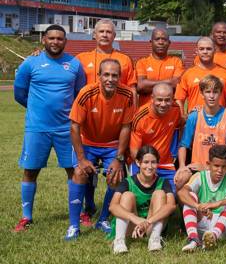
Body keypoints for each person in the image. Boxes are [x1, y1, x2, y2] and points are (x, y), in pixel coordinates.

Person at [13, 25, 86, 232]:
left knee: (74, 170)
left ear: (65, 41)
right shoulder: (31, 63)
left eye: (60, 39)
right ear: (43, 39)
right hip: (37, 128)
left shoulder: (74, 64)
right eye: (51, 38)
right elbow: (19, 94)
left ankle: (79, 213)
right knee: (30, 170)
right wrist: (37, 109)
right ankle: (26, 217)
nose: (55, 42)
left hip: (67, 129)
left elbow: (80, 95)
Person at [67, 59, 134, 240]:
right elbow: (74, 127)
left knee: (116, 176)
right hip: (88, 142)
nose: (110, 79)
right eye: (106, 74)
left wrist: (119, 159)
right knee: (80, 173)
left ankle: (103, 219)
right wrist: (81, 158)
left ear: (120, 77)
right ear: (99, 76)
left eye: (114, 75)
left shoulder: (127, 94)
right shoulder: (86, 93)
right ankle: (74, 225)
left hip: (112, 144)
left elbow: (126, 127)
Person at [178, 144, 226, 252]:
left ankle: (213, 236)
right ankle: (193, 239)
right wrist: (198, 206)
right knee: (190, 196)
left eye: (224, 166)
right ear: (208, 164)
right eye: (216, 166)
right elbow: (182, 192)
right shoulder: (199, 176)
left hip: (223, 227)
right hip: (202, 223)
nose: (220, 170)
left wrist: (218, 203)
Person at [176, 74, 226, 190]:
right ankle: (186, 207)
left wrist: (209, 167)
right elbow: (183, 145)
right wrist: (182, 166)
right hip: (197, 168)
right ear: (201, 94)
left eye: (215, 92)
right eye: (208, 92)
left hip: (221, 169)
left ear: (220, 94)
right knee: (180, 178)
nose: (211, 96)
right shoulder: (194, 116)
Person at [109, 145, 176, 254]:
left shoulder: (163, 182)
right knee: (127, 196)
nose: (150, 166)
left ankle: (154, 239)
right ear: (138, 163)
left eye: (153, 162)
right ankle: (119, 241)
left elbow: (171, 206)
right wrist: (135, 219)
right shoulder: (127, 182)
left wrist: (148, 221)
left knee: (159, 194)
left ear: (158, 163)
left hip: (151, 225)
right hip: (131, 226)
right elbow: (113, 206)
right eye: (146, 162)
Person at [130, 83, 183, 192]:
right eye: (159, 100)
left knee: (173, 196)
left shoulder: (175, 109)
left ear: (173, 99)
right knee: (141, 197)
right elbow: (134, 151)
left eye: (167, 100)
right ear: (152, 98)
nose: (163, 104)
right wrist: (149, 167)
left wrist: (175, 152)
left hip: (165, 163)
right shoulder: (141, 117)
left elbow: (180, 126)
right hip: (144, 163)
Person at [175, 37, 226, 117]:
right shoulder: (187, 74)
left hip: (220, 121)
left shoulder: (225, 73)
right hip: (196, 122)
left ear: (214, 50)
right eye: (202, 49)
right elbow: (179, 99)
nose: (205, 52)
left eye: (209, 49)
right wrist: (182, 118)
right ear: (197, 51)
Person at [75, 19, 136, 91]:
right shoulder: (81, 58)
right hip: (89, 101)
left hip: (117, 102)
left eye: (108, 32)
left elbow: (132, 88)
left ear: (114, 36)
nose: (104, 35)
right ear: (94, 34)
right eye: (101, 31)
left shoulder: (125, 59)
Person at [135, 28, 184, 106]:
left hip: (170, 111)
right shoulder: (142, 62)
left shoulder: (177, 62)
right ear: (151, 42)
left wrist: (149, 84)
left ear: (169, 43)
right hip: (146, 112)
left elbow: (176, 84)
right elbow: (141, 86)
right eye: (157, 39)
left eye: (164, 39)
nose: (160, 42)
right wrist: (169, 83)